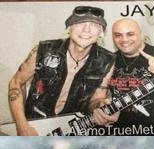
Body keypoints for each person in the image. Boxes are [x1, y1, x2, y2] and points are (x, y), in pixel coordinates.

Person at [84, 15, 154, 134]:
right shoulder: (107, 62)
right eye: (118, 35)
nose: (124, 39)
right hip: (127, 139)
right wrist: (99, 107)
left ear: (141, 35)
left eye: (130, 34)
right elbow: (96, 99)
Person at [6, 5, 113, 135]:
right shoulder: (43, 50)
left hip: (72, 129)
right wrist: (21, 124)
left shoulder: (108, 61)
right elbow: (16, 83)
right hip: (33, 123)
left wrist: (101, 106)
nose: (86, 29)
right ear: (69, 28)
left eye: (94, 25)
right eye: (80, 23)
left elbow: (96, 100)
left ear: (101, 33)